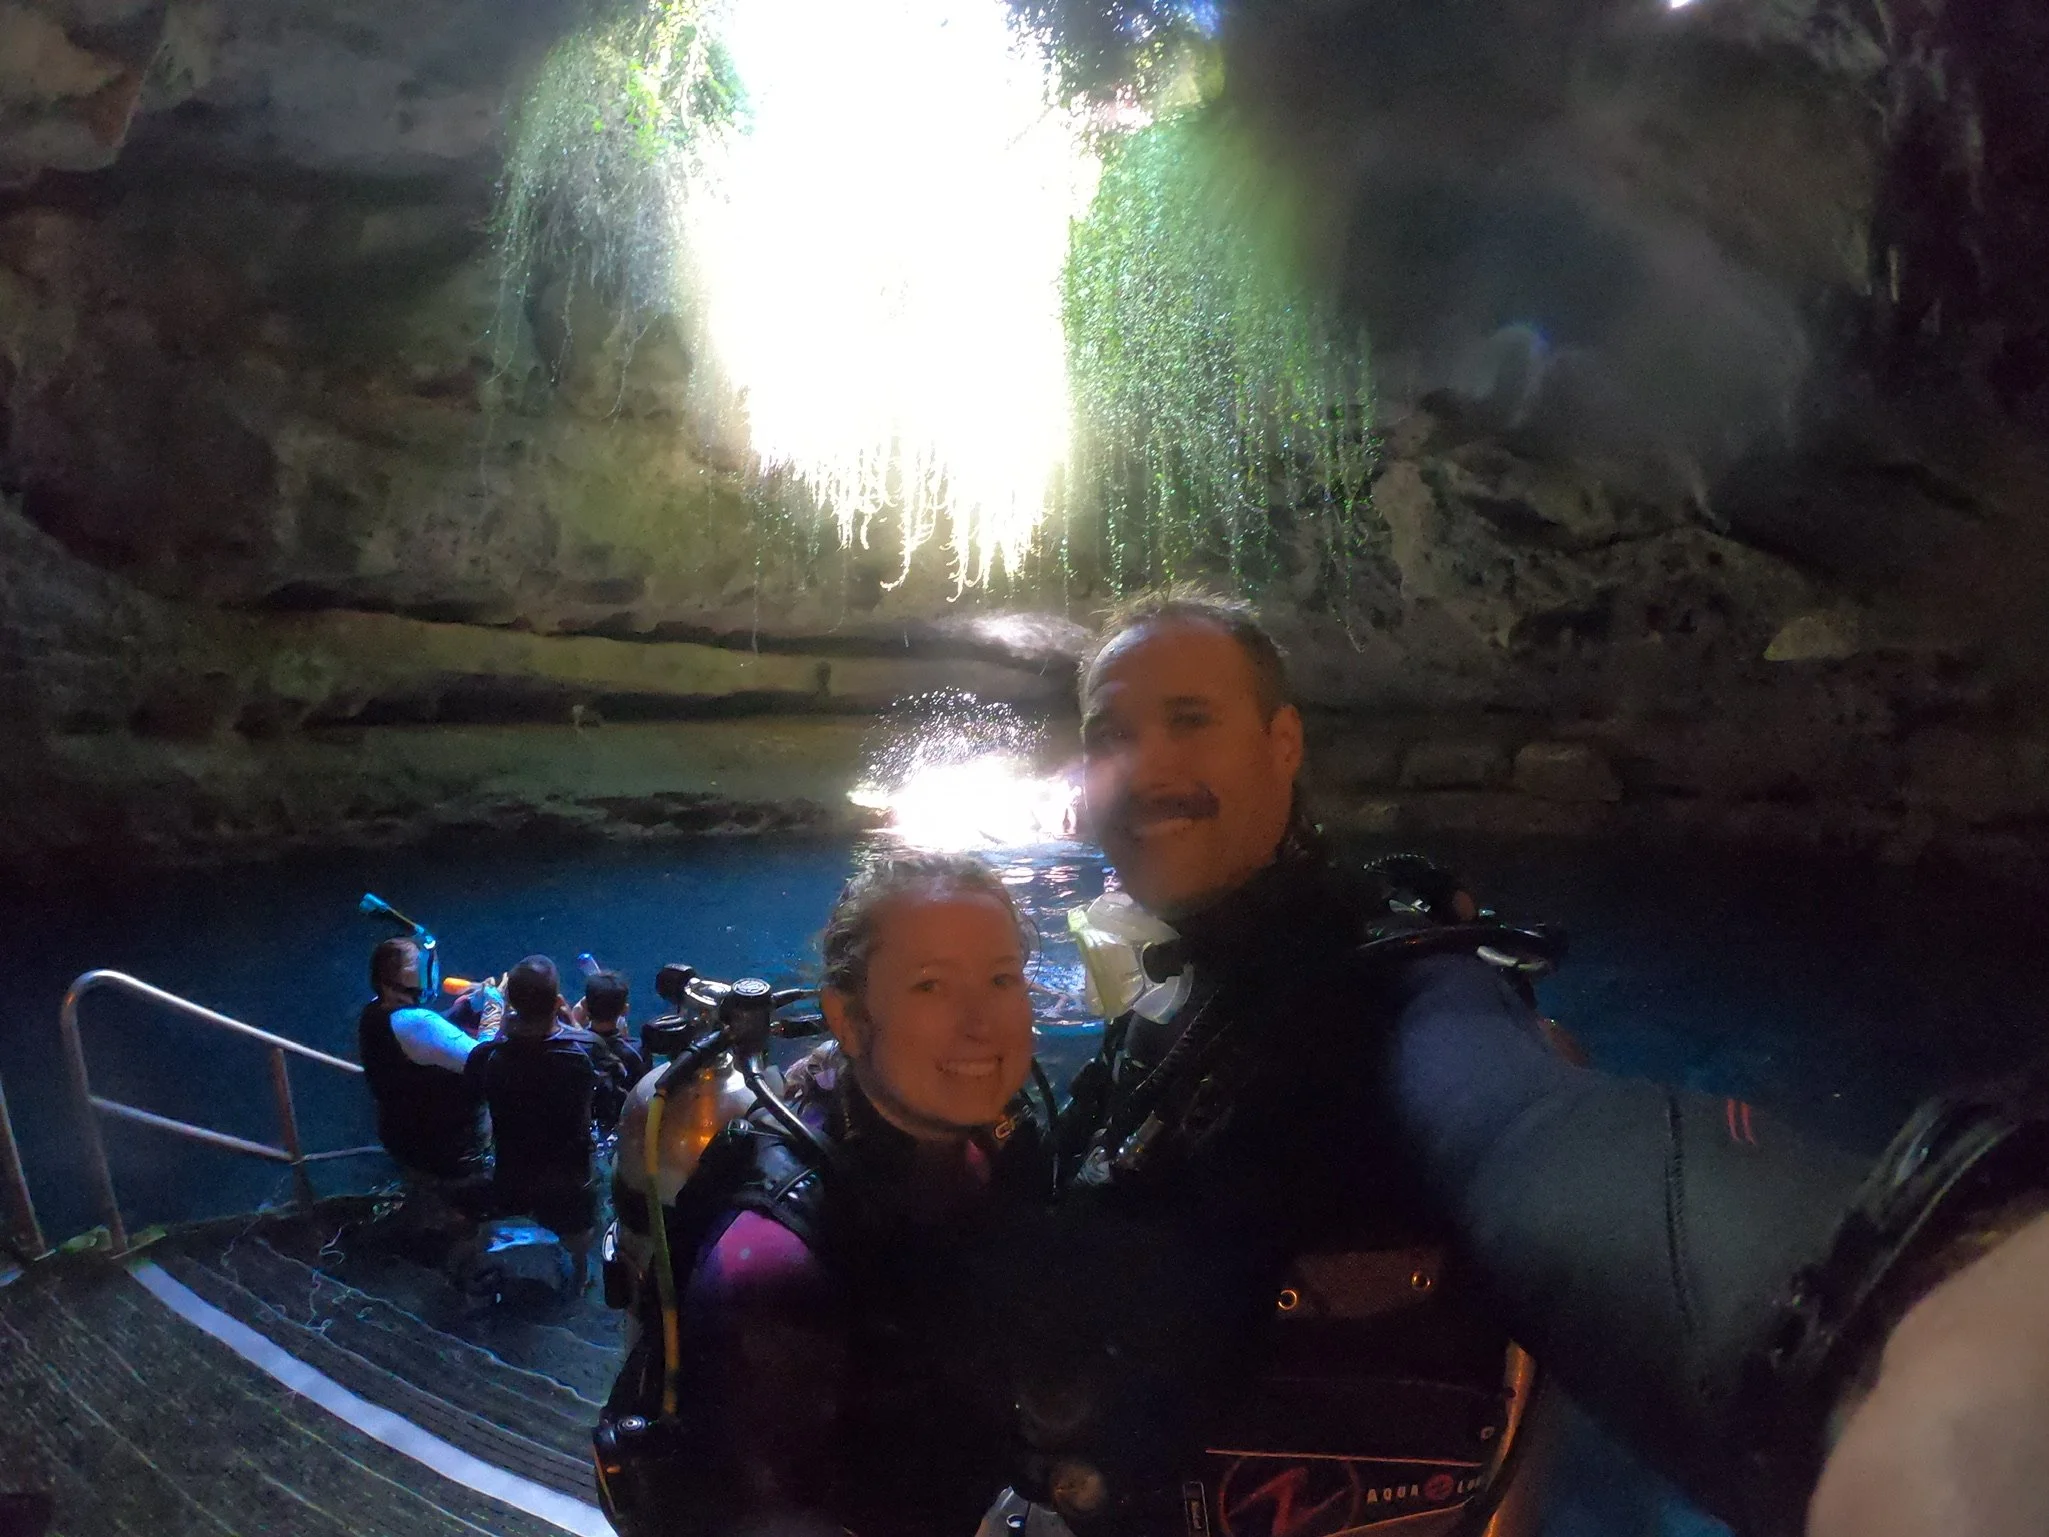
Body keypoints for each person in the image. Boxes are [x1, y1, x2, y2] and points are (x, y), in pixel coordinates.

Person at [990, 586, 2049, 1537]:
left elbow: (1526, 1130)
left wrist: (1895, 1320)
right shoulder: (1177, 996)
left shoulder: (1393, 983)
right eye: (1111, 732)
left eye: (1191, 720)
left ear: (1283, 744)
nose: (1148, 766)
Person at [597, 851, 1054, 1537]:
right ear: (846, 1016)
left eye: (1000, 977)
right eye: (930, 986)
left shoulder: (1005, 1141)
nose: (980, 1022)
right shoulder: (776, 1264)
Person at [464, 955, 603, 1284]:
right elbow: (610, 1099)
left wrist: (496, 1020)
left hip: (513, 1169)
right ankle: (581, 1275)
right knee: (578, 1232)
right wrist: (577, 1026)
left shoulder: (488, 1057)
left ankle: (484, 1263)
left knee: (505, 1209)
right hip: (569, 1175)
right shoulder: (586, 1050)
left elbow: (472, 1091)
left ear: (511, 1002)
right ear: (557, 1002)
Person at [357, 936, 486, 1217]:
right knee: (464, 1212)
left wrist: (457, 1012)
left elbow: (423, 1033)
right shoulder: (417, 1023)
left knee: (427, 1197)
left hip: (403, 1135)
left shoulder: (376, 1009)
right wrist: (495, 1009)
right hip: (447, 1149)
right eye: (419, 963)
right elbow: (484, 1060)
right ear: (401, 976)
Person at [577, 969, 646, 1137]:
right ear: (625, 1009)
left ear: (584, 1005)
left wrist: (574, 1027)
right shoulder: (637, 1051)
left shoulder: (573, 1047)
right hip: (623, 1134)